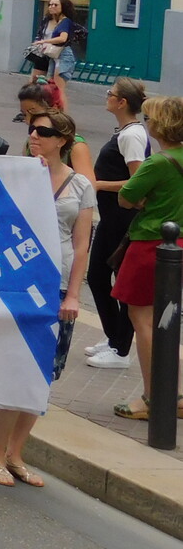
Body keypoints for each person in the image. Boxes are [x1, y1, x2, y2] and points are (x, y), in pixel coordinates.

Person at [0, 107, 93, 487]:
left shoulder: (80, 186)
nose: (33, 136)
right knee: (17, 369)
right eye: (31, 130)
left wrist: (74, 295)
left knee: (41, 374)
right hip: (21, 282)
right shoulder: (18, 175)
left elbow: (82, 248)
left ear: (62, 140)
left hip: (59, 287)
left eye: (42, 131)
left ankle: (16, 454)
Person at [111, 94, 183, 422]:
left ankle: (153, 397)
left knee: (144, 322)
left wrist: (142, 201)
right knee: (169, 321)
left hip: (149, 246)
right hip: (178, 244)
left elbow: (126, 197)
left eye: (151, 118)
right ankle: (176, 393)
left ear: (164, 124)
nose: (148, 123)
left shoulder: (159, 162)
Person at [81, 78, 150, 371]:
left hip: (122, 218)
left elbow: (138, 182)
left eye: (111, 94)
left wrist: (98, 184)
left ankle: (121, 349)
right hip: (112, 217)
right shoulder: (124, 132)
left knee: (110, 280)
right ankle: (113, 337)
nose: (107, 97)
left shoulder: (131, 136)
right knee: (98, 277)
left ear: (122, 103)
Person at [24, 0, 79, 108]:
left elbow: (63, 38)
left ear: (62, 7)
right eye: (50, 4)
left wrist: (45, 41)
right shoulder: (50, 20)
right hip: (54, 56)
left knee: (59, 89)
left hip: (63, 55)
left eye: (55, 5)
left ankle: (62, 116)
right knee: (51, 86)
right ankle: (54, 112)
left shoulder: (65, 21)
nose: (51, 7)